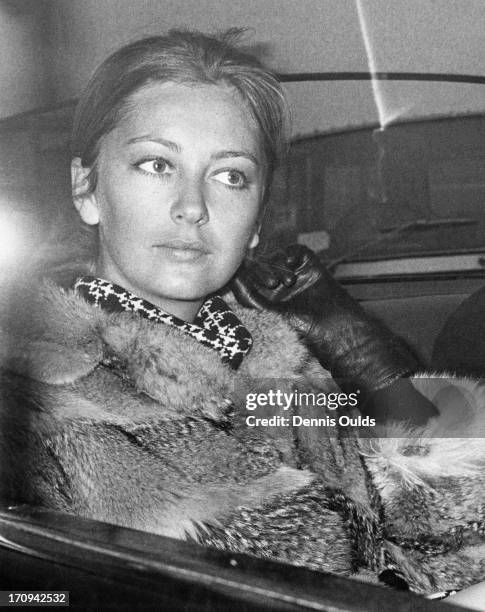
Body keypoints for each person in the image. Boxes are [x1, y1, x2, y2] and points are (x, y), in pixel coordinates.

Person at [0, 30, 484, 604]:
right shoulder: (34, 394)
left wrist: (359, 350)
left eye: (230, 175)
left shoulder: (270, 362)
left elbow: (442, 506)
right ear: (87, 188)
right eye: (156, 163)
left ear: (256, 220)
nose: (193, 207)